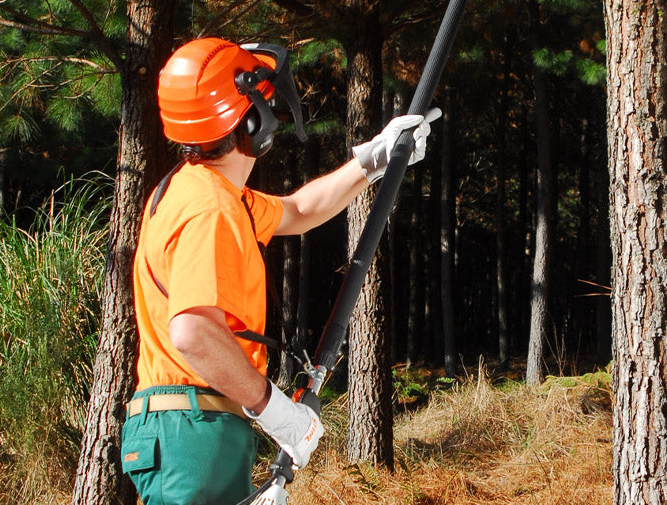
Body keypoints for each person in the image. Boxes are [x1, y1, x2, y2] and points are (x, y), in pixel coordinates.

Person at [120, 37, 438, 505]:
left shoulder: (209, 193)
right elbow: (191, 332)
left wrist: (372, 161)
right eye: (267, 100)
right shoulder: (210, 209)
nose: (273, 110)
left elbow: (299, 209)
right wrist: (275, 410)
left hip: (194, 427)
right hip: (192, 430)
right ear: (251, 121)